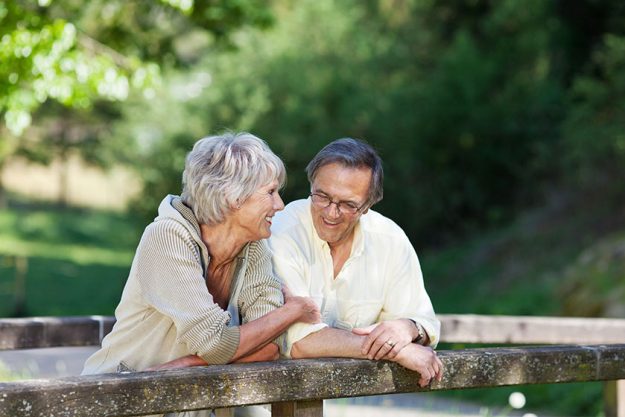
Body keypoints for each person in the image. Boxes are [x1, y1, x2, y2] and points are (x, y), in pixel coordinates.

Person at [82, 132, 320, 416]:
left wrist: (188, 364)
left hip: (181, 401)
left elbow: (269, 347)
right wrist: (293, 311)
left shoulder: (253, 246)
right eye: (270, 192)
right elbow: (218, 344)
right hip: (118, 400)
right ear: (234, 197)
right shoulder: (167, 237)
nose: (279, 205)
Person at [268, 138, 443, 387]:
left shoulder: (390, 240)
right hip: (263, 391)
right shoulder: (281, 231)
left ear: (367, 206)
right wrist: (396, 350)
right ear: (311, 184)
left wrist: (407, 328)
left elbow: (424, 320)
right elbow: (297, 341)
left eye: (348, 204)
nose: (331, 212)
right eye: (322, 196)